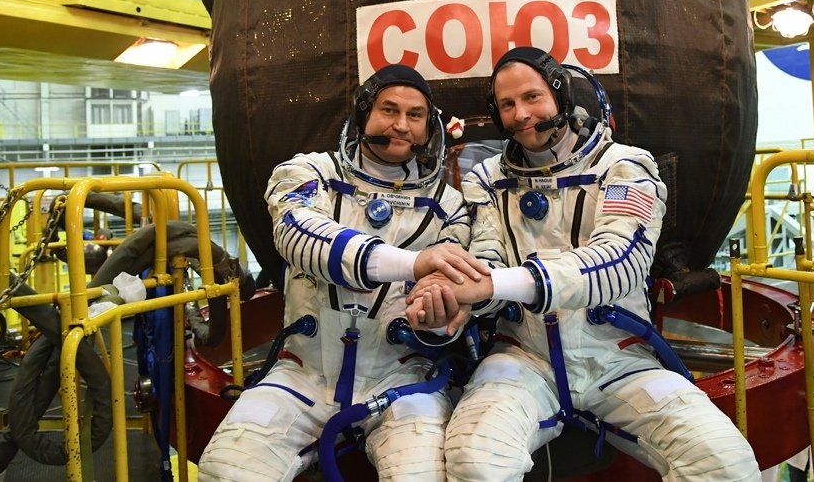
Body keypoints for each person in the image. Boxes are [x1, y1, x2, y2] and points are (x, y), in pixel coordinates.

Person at [406, 47, 760, 481]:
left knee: (724, 463)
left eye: (532, 97)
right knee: (475, 460)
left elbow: (620, 260)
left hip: (619, 360)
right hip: (525, 358)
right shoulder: (487, 180)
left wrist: (495, 284)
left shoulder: (624, 167)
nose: (521, 114)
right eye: (507, 104)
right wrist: (454, 299)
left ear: (561, 94)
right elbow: (486, 261)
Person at [198, 64, 488, 482]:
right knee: (227, 471)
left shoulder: (449, 206)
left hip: (400, 379)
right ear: (363, 114)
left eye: (415, 115)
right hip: (303, 375)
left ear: (429, 128)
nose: (401, 125)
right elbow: (298, 235)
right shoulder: (309, 173)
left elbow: (447, 300)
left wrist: (437, 320)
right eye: (389, 110)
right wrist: (411, 263)